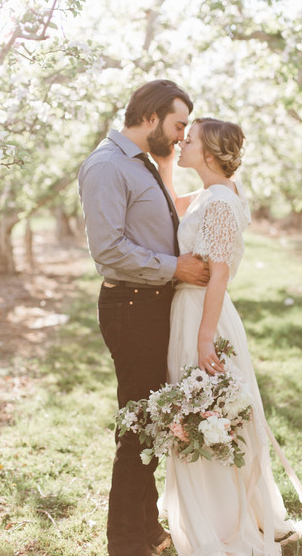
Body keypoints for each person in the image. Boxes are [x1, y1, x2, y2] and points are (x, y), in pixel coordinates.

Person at [153, 118, 302, 556]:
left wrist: (205, 338)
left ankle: (222, 521)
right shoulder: (213, 193)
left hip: (202, 315)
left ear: (208, 154)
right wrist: (166, 160)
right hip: (189, 310)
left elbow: (219, 275)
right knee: (198, 413)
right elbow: (173, 200)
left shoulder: (221, 203)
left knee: (208, 413)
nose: (182, 143)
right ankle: (208, 511)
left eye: (188, 141)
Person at [78, 80, 210, 556]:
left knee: (151, 423)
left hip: (150, 304)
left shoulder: (142, 165)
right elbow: (108, 250)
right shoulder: (107, 166)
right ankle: (126, 542)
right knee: (137, 426)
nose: (180, 136)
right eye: (178, 126)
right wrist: (175, 267)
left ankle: (147, 528)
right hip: (131, 306)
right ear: (151, 117)